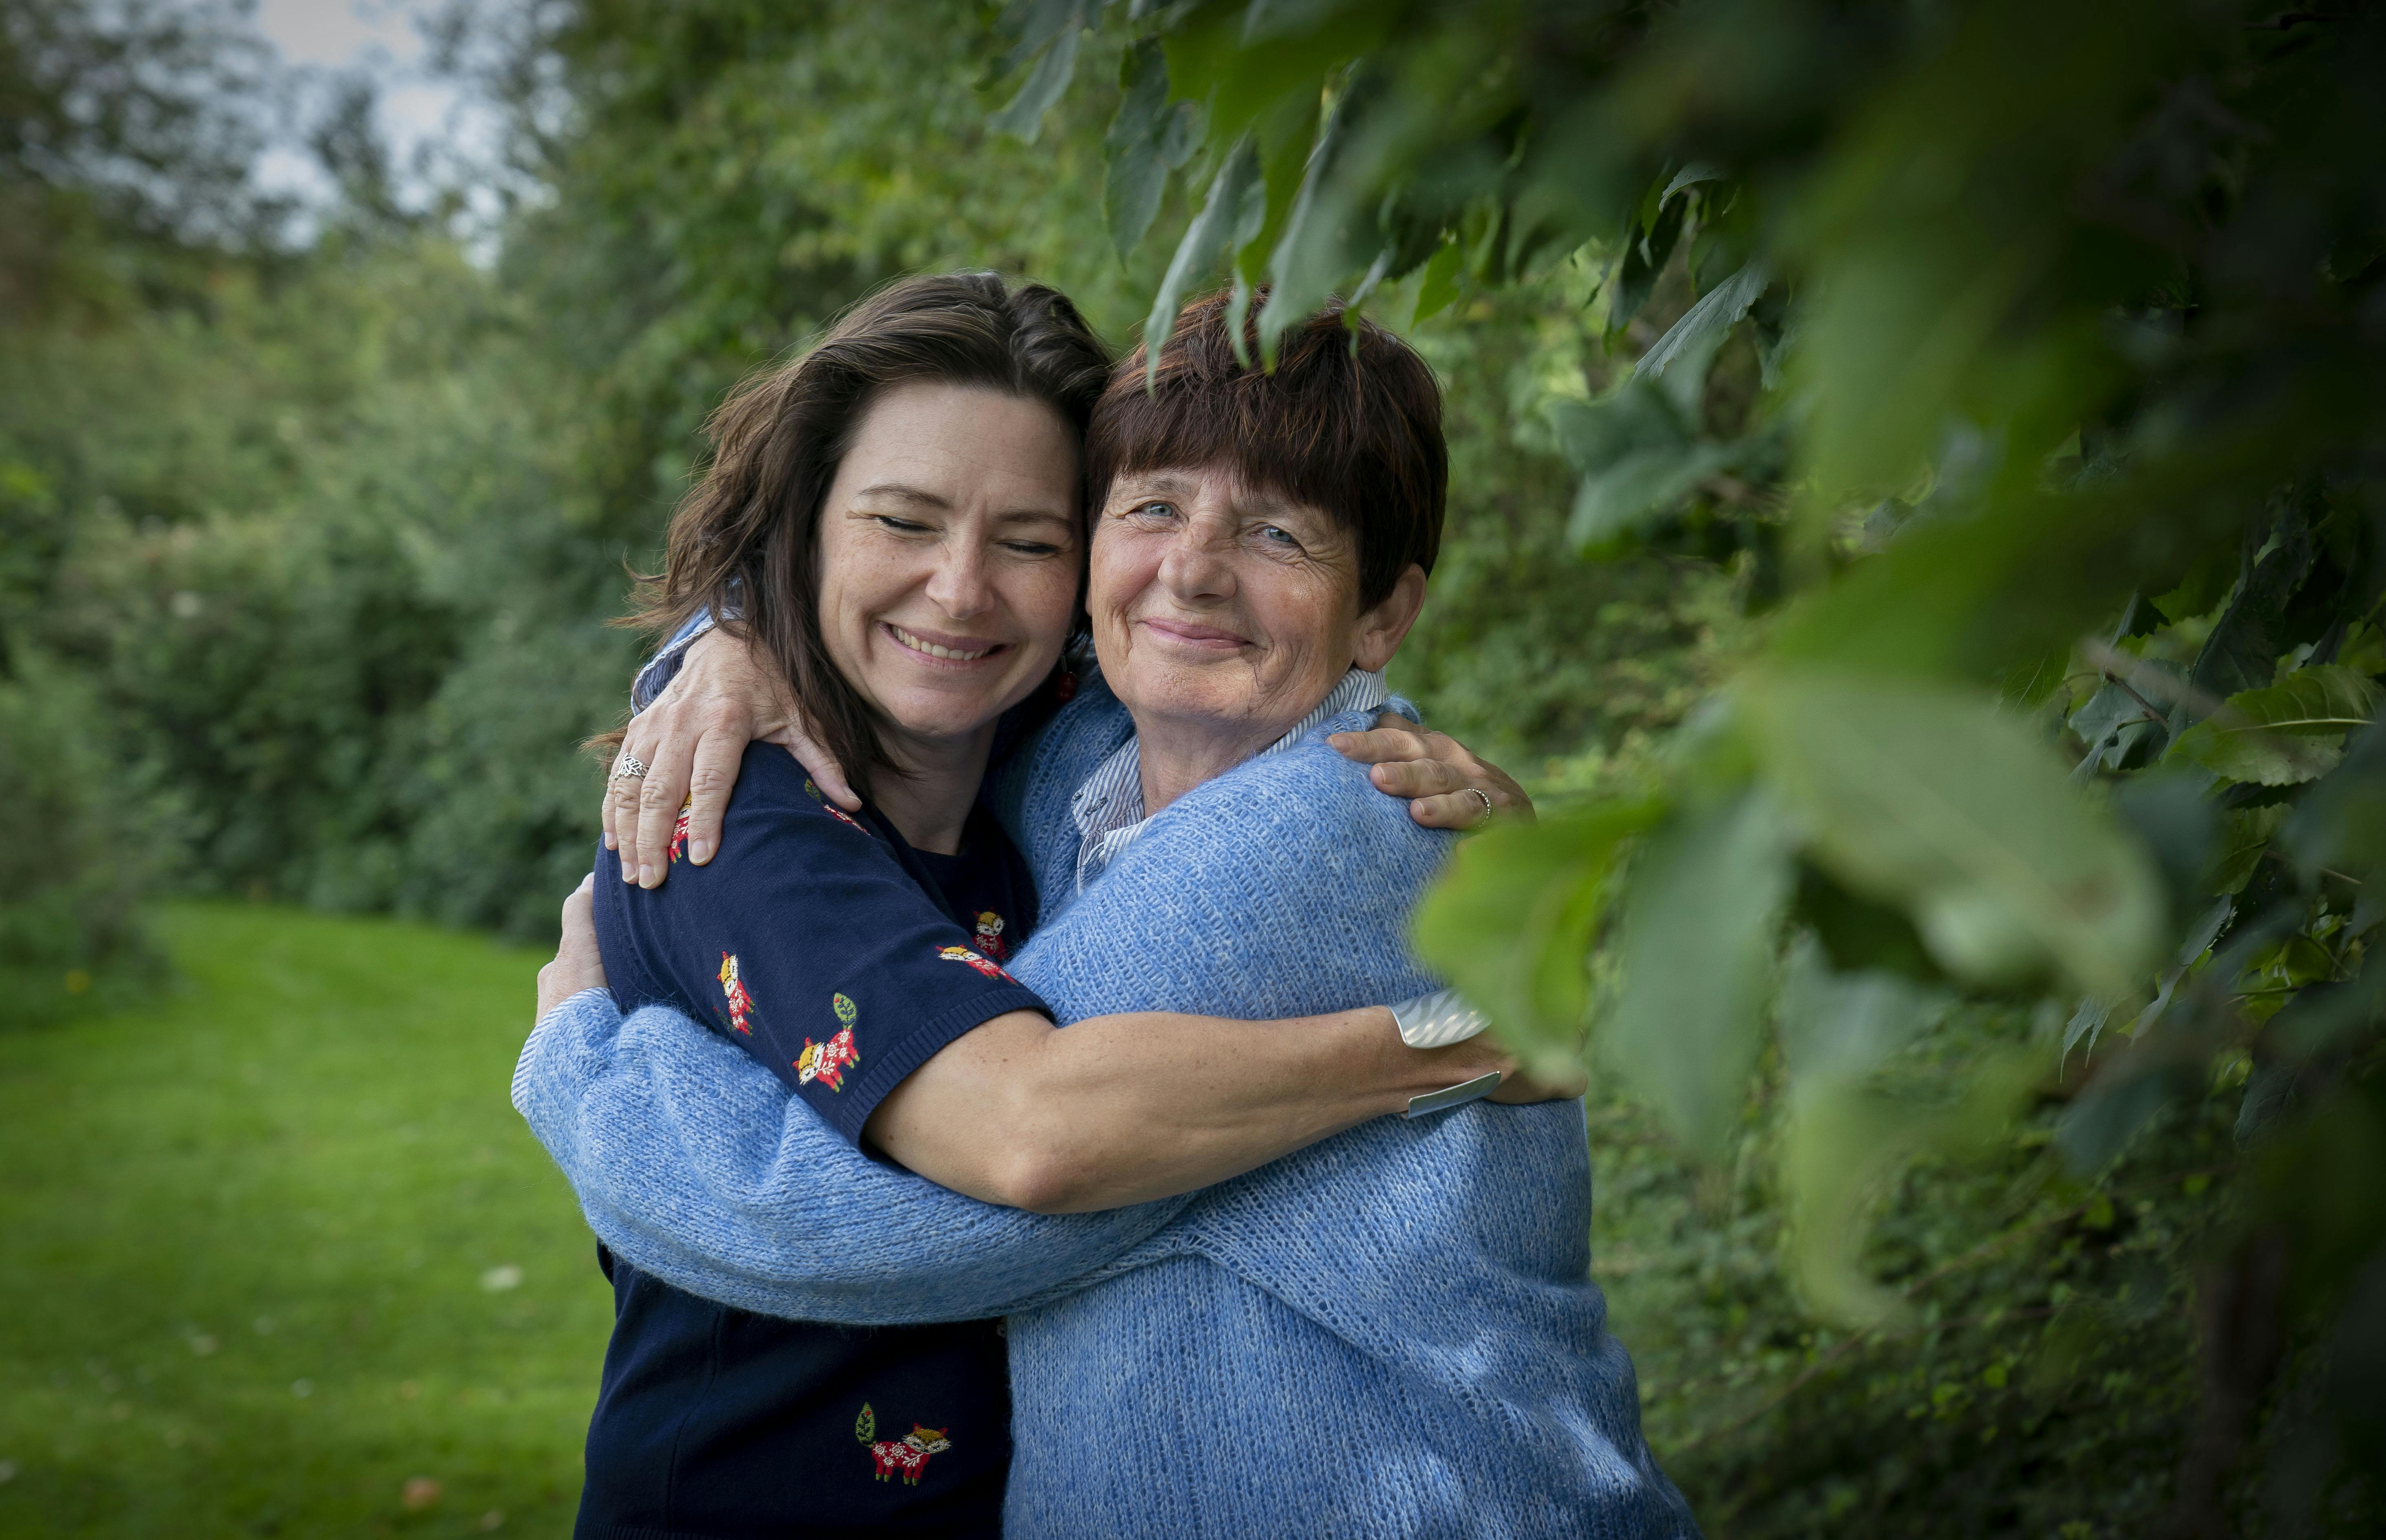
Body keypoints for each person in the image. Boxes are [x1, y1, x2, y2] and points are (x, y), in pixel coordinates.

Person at [522, 283, 1694, 1537]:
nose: (1190, 573)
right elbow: (943, 612)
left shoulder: (1309, 822)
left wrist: (580, 1072)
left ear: (1386, 614)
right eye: (1149, 509)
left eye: (1281, 538)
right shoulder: (1022, 773)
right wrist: (721, 638)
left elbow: (1019, 1162)